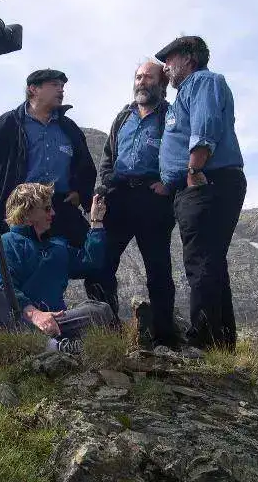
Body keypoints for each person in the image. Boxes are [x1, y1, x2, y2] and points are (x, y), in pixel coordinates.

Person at [0, 69, 106, 300]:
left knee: (96, 261)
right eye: (55, 84)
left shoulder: (68, 127)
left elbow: (86, 166)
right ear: (33, 89)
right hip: (22, 209)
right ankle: (19, 321)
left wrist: (79, 193)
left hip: (60, 206)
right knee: (12, 266)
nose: (61, 90)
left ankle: (103, 322)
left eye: (63, 85)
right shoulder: (9, 124)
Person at [156, 36, 246, 351]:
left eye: (169, 59)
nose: (165, 67)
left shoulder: (202, 82)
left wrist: (193, 170)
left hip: (207, 181)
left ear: (189, 59)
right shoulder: (188, 90)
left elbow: (205, 125)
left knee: (201, 261)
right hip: (203, 183)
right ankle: (221, 343)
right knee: (211, 261)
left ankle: (203, 340)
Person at [0, 183, 112, 353]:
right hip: (16, 323)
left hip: (55, 323)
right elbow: (3, 285)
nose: (53, 213)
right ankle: (52, 346)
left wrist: (96, 221)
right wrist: (35, 315)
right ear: (27, 213)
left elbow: (90, 262)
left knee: (100, 310)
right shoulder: (6, 243)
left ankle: (53, 346)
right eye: (47, 209)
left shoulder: (57, 247)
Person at [96, 60, 178, 347]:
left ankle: (164, 338)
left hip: (152, 200)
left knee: (158, 270)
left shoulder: (171, 116)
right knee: (101, 265)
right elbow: (108, 156)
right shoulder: (123, 117)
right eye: (138, 77)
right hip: (118, 198)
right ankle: (107, 331)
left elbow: (179, 152)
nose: (142, 82)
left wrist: (169, 183)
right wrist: (105, 184)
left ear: (162, 83)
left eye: (148, 77)